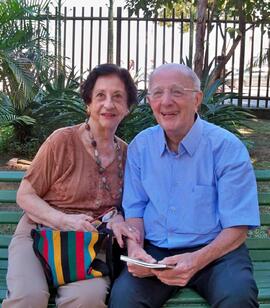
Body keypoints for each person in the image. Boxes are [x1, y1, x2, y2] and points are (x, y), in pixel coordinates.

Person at [109, 63, 260, 308]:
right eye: (157, 93)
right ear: (150, 101)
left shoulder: (226, 148)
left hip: (217, 253)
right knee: (124, 300)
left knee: (238, 298)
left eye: (177, 92)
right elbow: (135, 211)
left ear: (197, 99)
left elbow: (238, 226)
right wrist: (136, 249)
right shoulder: (141, 147)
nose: (166, 101)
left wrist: (196, 260)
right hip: (156, 253)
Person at [3, 63, 140, 308]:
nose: (108, 104)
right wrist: (63, 220)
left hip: (88, 245)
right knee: (29, 297)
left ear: (127, 107)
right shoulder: (62, 141)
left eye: (118, 97)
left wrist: (118, 217)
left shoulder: (127, 154)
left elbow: (123, 206)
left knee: (87, 299)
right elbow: (25, 194)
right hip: (39, 236)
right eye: (100, 95)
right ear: (88, 103)